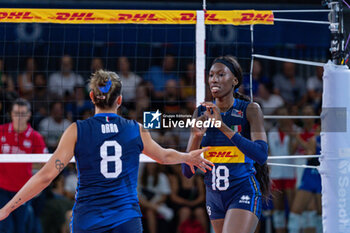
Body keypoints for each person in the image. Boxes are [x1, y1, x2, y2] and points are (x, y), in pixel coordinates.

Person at [0, 70, 213, 233]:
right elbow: (164, 156)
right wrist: (187, 156)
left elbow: (46, 176)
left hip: (88, 218)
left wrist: (8, 207)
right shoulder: (135, 128)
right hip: (126, 219)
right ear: (119, 100)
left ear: (92, 97)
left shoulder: (77, 130)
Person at [183, 55, 270, 233]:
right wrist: (195, 137)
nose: (214, 79)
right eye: (211, 75)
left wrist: (222, 126)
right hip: (213, 196)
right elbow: (187, 172)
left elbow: (261, 155)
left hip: (242, 191)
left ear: (235, 80)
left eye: (221, 75)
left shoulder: (250, 109)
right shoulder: (200, 112)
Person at [0, 98, 48, 233]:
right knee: (5, 227)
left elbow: (46, 164)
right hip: (1, 189)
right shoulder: (1, 131)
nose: (19, 117)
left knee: (21, 228)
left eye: (22, 114)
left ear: (28, 115)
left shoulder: (35, 137)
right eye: (16, 113)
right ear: (11, 114)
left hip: (23, 191)